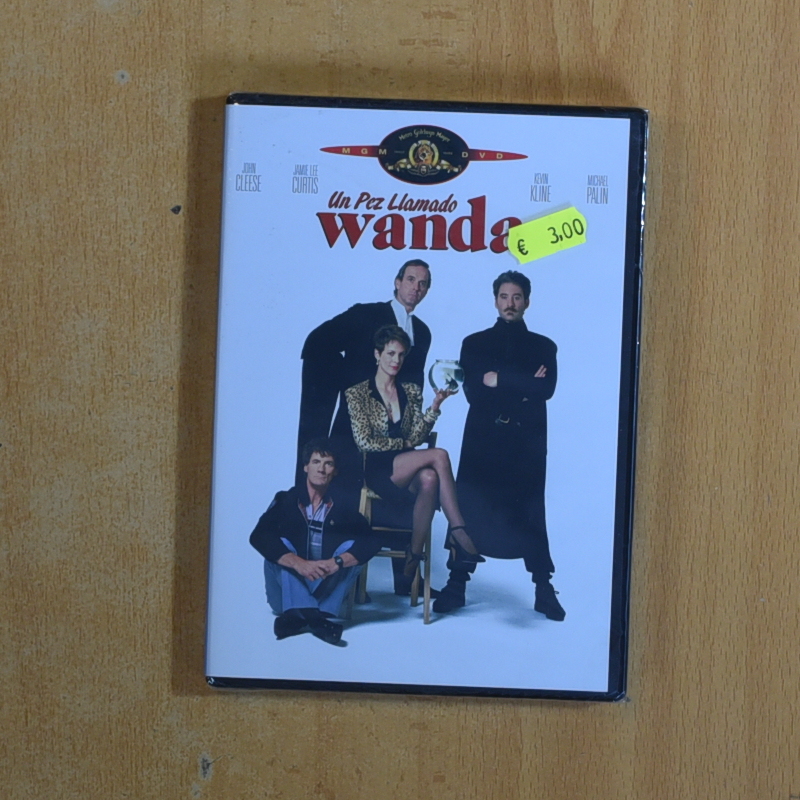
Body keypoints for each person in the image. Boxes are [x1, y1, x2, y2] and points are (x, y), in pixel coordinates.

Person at [438, 270, 565, 620]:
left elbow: (546, 389)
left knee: (530, 510)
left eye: (517, 297)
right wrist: (524, 384)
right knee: (470, 506)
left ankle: (543, 590)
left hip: (526, 443)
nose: (510, 303)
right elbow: (475, 392)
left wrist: (501, 378)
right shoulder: (474, 343)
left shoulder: (544, 346)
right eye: (504, 297)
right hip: (483, 440)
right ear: (495, 300)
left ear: (527, 302)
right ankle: (456, 585)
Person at [345, 325, 484, 596]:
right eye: (390, 354)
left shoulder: (409, 391)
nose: (396, 360)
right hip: (378, 470)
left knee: (430, 478)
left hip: (406, 467)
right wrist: (402, 444)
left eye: (401, 355)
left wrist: (435, 406)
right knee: (440, 455)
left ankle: (412, 559)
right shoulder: (357, 393)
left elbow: (416, 436)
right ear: (377, 354)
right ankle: (459, 531)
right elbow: (364, 441)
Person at [296, 260, 433, 491]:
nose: (416, 288)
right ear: (397, 282)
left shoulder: (422, 332)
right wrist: (348, 384)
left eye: (423, 283)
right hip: (355, 423)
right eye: (410, 280)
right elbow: (317, 342)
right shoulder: (366, 314)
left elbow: (414, 383)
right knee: (336, 482)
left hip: (393, 429)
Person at [249, 438, 380, 645]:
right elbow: (259, 536)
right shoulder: (286, 499)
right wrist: (298, 563)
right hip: (284, 596)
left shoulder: (342, 505)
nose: (321, 469)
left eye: (328, 463)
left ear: (334, 471)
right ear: (306, 467)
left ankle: (300, 617)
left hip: (322, 589)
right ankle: (317, 620)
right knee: (281, 543)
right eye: (316, 462)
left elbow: (372, 541)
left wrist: (336, 562)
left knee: (350, 549)